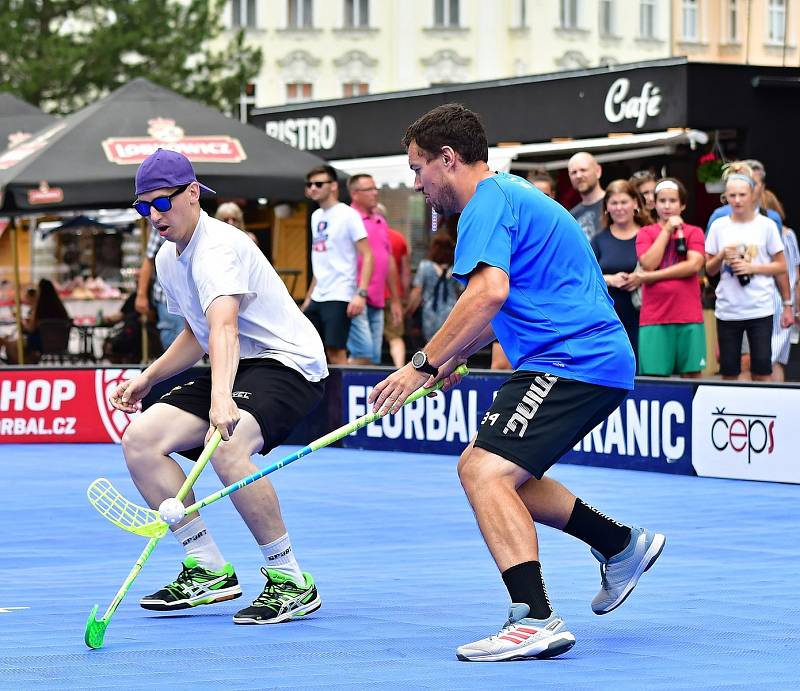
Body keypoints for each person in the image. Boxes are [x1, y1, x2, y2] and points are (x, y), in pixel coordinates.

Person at [369, 103, 664, 662]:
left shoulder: (485, 203)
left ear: (447, 159)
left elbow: (488, 295)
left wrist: (423, 364)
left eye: (417, 168)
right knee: (506, 477)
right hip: (573, 357)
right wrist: (455, 357)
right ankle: (620, 545)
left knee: (481, 469)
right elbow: (506, 307)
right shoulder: (506, 197)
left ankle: (533, 619)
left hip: (571, 359)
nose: (417, 182)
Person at [110, 148, 328, 626]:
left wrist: (221, 399)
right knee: (142, 440)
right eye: (142, 207)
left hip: (286, 362)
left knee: (225, 446)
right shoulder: (169, 258)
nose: (153, 216)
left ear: (193, 194)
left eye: (162, 203)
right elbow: (199, 332)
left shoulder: (218, 247)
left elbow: (225, 327)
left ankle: (289, 578)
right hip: (237, 364)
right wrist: (149, 377)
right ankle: (206, 566)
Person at [705, 161, 792, 382]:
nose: (737, 200)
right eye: (732, 196)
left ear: (753, 193)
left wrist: (752, 267)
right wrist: (722, 255)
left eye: (742, 195)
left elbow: (782, 266)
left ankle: (765, 413)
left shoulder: (766, 225)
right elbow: (708, 269)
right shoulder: (718, 225)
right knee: (729, 371)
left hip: (760, 308)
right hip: (728, 309)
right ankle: (729, 411)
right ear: (726, 196)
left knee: (763, 370)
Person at [300, 165, 373, 365]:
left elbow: (367, 255)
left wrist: (361, 293)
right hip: (318, 295)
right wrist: (308, 297)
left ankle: (340, 395)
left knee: (336, 352)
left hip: (340, 293)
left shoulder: (348, 214)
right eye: (309, 184)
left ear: (333, 186)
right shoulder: (316, 216)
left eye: (318, 184)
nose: (312, 188)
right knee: (307, 350)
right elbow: (320, 260)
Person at [635, 178, 706, 377]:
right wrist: (667, 230)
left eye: (673, 201)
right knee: (655, 378)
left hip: (688, 315)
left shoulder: (694, 232)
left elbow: (694, 265)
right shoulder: (646, 233)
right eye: (662, 201)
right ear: (654, 204)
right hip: (655, 317)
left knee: (692, 376)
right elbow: (648, 263)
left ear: (682, 205)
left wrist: (651, 277)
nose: (667, 206)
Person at [346, 174, 403, 365]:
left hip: (378, 300)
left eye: (375, 188)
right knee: (363, 353)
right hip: (355, 297)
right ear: (355, 194)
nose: (375, 193)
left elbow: (389, 261)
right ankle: (341, 393)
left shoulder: (380, 221)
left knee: (372, 358)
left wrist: (395, 300)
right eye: (369, 189)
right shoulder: (347, 218)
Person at [591, 180, 648, 359]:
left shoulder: (649, 234)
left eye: (624, 202)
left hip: (645, 318)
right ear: (606, 207)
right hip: (609, 320)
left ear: (635, 203)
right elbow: (586, 276)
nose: (619, 208)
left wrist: (640, 277)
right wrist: (610, 279)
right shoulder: (599, 240)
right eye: (614, 203)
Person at [761, 189, 800, 381]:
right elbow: (796, 275)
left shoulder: (774, 235)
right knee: (776, 360)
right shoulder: (789, 234)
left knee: (765, 360)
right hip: (786, 303)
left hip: (773, 301)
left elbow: (793, 273)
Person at [405, 233, 463, 342]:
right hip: (451, 311)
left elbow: (417, 291)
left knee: (431, 343)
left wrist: (409, 310)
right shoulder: (456, 268)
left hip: (429, 312)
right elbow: (460, 291)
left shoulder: (425, 266)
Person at [136, 225, 184, 351]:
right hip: (167, 297)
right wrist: (141, 295)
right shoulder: (159, 224)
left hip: (189, 297)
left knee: (183, 343)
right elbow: (149, 259)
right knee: (174, 342)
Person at [0, 278, 70, 364]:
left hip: (41, 343)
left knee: (10, 345)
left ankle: (19, 367)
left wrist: (20, 320)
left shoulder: (40, 308)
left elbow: (30, 329)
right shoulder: (59, 308)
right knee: (11, 342)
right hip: (60, 343)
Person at [706, 158, 782, 233]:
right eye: (745, 182)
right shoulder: (719, 217)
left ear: (762, 187)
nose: (749, 187)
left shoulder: (771, 220)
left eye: (754, 184)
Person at [379, 203, 412, 368]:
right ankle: (399, 368)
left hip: (371, 296)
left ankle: (366, 372)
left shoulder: (363, 237)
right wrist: (403, 296)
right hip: (394, 297)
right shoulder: (398, 238)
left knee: (369, 340)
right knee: (395, 337)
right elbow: (405, 272)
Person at [567, 152, 605, 240]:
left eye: (583, 170)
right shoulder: (571, 217)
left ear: (598, 171)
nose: (578, 176)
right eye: (573, 172)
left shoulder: (617, 206)